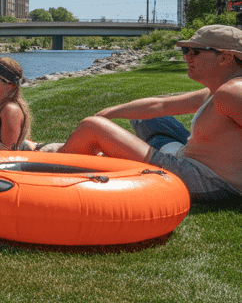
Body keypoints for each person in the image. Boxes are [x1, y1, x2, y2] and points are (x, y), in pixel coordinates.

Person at [57, 24, 242, 204]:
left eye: (195, 51)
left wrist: (99, 123)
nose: (187, 57)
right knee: (143, 116)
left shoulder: (233, 91)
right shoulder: (219, 90)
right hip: (192, 160)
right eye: (186, 51)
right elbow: (159, 105)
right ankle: (102, 152)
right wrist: (107, 114)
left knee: (92, 127)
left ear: (225, 58)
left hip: (207, 180)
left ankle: (51, 174)